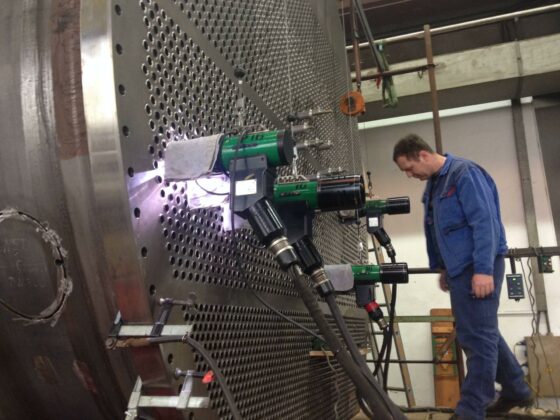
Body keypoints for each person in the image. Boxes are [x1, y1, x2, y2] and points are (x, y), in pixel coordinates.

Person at [393, 134, 532, 419]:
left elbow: (485, 224)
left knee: (476, 339)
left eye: (408, 168)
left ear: (422, 155)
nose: (409, 175)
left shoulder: (464, 174)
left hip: (477, 267)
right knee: (481, 333)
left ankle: (471, 409)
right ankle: (516, 389)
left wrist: (482, 270)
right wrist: (443, 267)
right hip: (459, 270)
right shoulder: (434, 185)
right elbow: (439, 228)